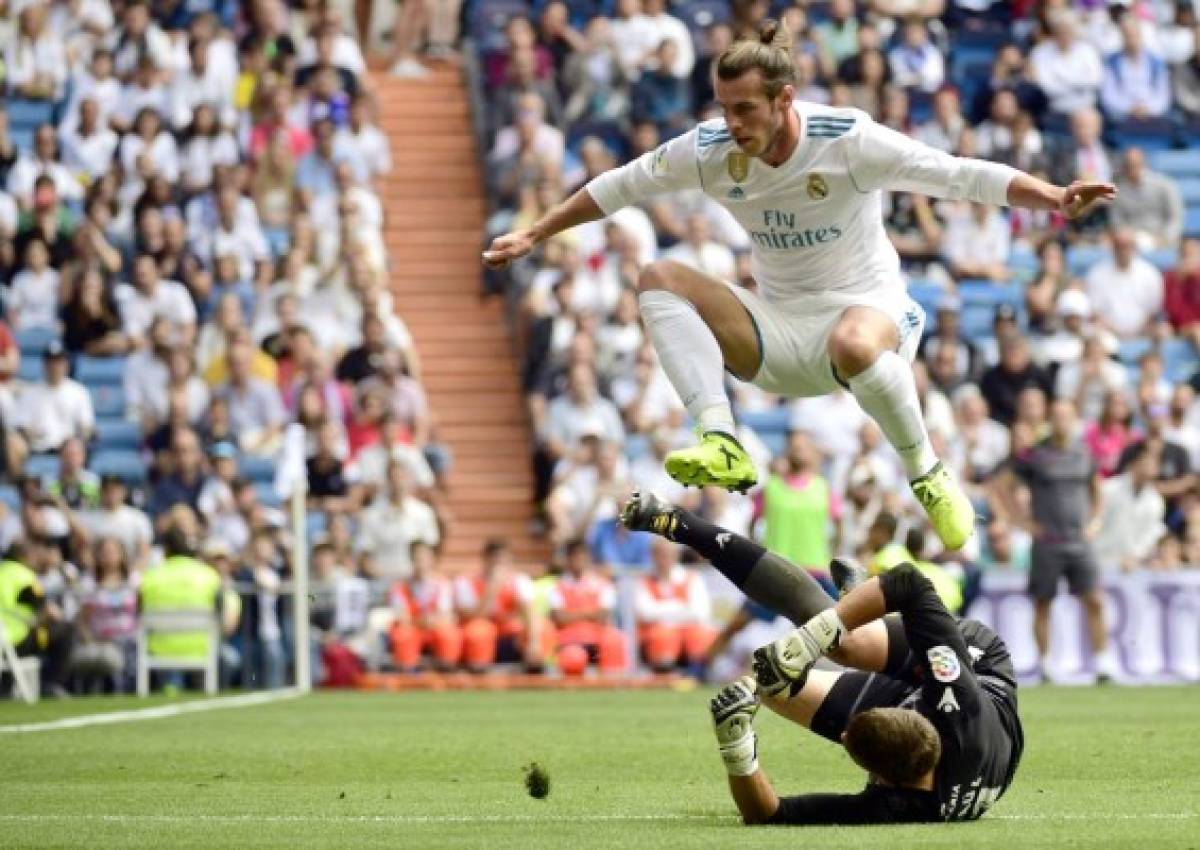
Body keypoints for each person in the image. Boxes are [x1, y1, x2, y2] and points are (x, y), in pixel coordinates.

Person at [483, 21, 1115, 553]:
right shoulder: (709, 149)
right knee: (657, 278)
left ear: (785, 99)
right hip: (777, 334)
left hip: (869, 316)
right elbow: (617, 186)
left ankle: (926, 472)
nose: (731, 123)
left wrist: (1054, 197)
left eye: (745, 109)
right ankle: (720, 439)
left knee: (854, 343)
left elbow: (958, 176)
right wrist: (535, 235)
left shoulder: (846, 139)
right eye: (724, 108)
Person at [619, 491, 1022, 824]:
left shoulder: (892, 808)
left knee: (770, 685)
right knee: (846, 645)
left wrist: (736, 745)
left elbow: (771, 816)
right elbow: (910, 582)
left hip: (940, 716)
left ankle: (857, 602)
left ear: (881, 779)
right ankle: (679, 523)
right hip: (977, 671)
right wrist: (812, 641)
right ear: (918, 717)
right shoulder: (959, 706)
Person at [991, 399, 1118, 683]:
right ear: (1049, 420)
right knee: (1043, 602)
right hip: (1047, 541)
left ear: (1074, 420)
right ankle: (1045, 663)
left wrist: (1095, 521)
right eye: (1056, 417)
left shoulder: (1085, 454)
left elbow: (1097, 489)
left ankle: (1103, 662)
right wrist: (1020, 521)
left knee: (1094, 599)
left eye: (1066, 417)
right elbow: (1001, 485)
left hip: (1078, 540)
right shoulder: (1035, 454)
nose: (1061, 422)